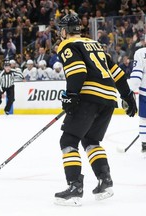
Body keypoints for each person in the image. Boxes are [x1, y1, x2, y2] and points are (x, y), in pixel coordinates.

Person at [54, 13, 137, 206]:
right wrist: (127, 96)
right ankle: (105, 181)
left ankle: (74, 187)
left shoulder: (67, 45)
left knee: (68, 140)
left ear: (65, 31)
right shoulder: (94, 44)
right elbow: (116, 71)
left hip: (89, 96)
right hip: (108, 99)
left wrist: (72, 95)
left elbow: (78, 70)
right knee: (91, 140)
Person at [128, 47, 146, 153]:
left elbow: (136, 75)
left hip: (145, 93)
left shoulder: (141, 52)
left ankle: (145, 144)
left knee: (144, 119)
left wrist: (130, 90)